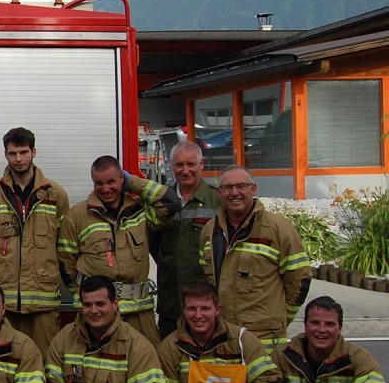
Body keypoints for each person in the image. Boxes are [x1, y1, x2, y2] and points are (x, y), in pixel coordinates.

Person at [58, 155, 177, 347]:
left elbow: (171, 203)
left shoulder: (140, 211)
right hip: (98, 316)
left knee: (147, 365)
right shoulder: (76, 216)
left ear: (122, 178)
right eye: (99, 183)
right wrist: (87, 298)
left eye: (112, 181)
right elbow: (65, 263)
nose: (105, 189)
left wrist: (134, 183)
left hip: (139, 313)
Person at [0, 127, 70, 354]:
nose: (18, 159)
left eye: (23, 152)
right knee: (5, 361)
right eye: (12, 153)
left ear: (34, 152)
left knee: (45, 360)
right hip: (3, 303)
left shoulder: (55, 194)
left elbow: (65, 247)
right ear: (6, 155)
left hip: (44, 303)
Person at [200, 165, 311, 349]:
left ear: (253, 189)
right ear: (219, 192)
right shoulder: (209, 231)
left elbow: (300, 279)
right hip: (223, 339)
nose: (234, 193)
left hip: (265, 341)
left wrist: (282, 317)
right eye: (227, 187)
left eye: (241, 186)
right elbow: (207, 281)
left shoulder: (277, 229)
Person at [150, 141, 221, 339]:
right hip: (171, 304)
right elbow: (154, 245)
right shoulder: (162, 201)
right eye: (179, 165)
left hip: (206, 306)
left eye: (191, 164)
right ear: (172, 166)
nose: (185, 170)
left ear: (202, 165)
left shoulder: (218, 201)